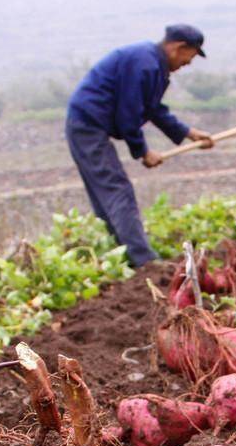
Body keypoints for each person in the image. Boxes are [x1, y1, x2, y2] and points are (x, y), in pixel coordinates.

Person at [65, 24, 214, 267]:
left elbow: (153, 109)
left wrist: (189, 133)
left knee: (108, 192)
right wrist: (142, 152)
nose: (189, 63)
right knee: (116, 189)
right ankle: (144, 261)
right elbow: (129, 112)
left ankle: (125, 253)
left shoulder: (153, 65)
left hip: (90, 124)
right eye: (192, 55)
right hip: (87, 124)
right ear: (179, 47)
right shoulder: (144, 63)